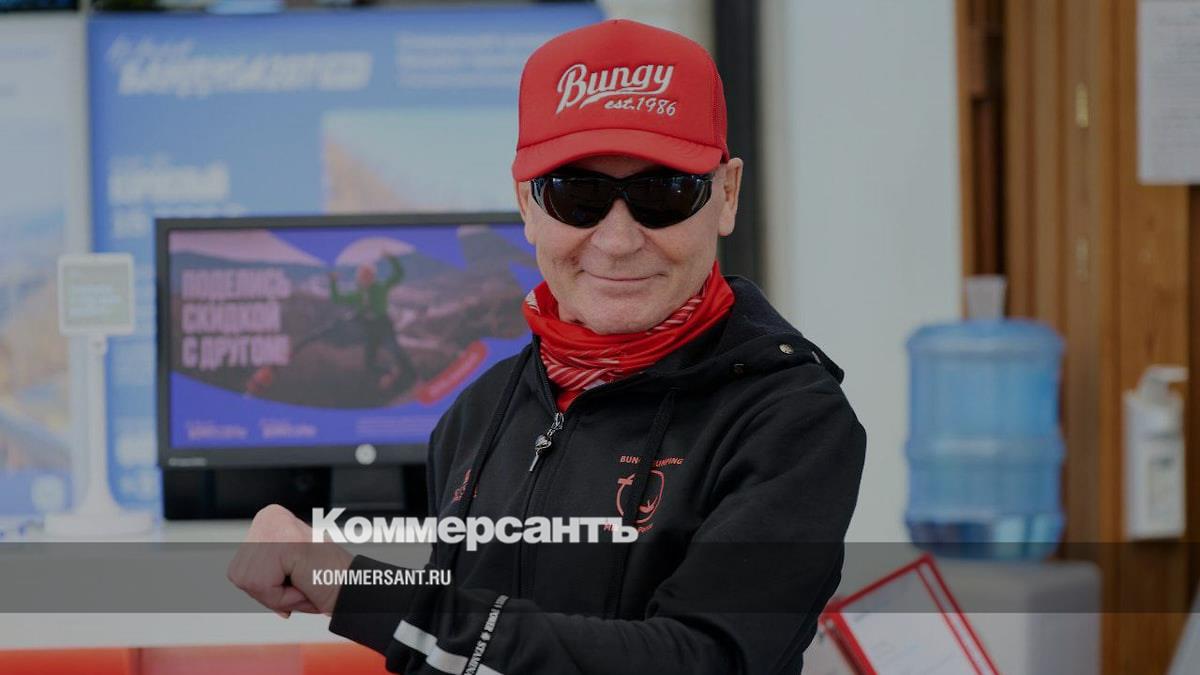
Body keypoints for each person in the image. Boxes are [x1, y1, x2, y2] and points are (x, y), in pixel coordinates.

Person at [228, 19, 865, 674]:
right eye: (576, 196)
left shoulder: (792, 420)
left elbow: (704, 660)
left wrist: (359, 590)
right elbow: (450, 655)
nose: (617, 241)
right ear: (526, 205)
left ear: (726, 195)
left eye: (664, 193)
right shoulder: (476, 413)